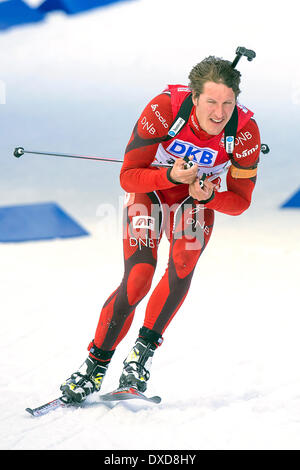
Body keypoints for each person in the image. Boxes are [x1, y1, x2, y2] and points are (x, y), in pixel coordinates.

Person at [60, 56, 261, 403]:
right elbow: (128, 175)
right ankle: (94, 366)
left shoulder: (244, 131)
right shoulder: (164, 108)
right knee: (138, 277)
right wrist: (169, 176)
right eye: (211, 102)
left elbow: (241, 201)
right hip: (150, 190)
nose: (219, 113)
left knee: (183, 263)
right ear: (194, 98)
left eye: (228, 103)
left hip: (195, 201)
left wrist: (210, 195)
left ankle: (140, 356)